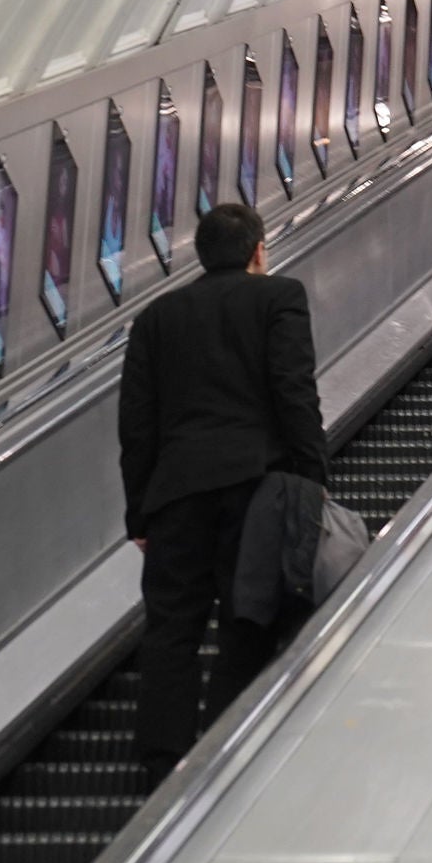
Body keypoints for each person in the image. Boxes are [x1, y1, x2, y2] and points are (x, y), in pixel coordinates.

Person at [121, 201, 328, 765]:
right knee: (247, 614)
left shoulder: (155, 319)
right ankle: (223, 749)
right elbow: (294, 391)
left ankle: (161, 764)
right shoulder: (279, 298)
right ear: (259, 251)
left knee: (171, 628)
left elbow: (137, 424)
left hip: (176, 494)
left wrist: (139, 513)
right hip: (254, 486)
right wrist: (312, 480)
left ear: (201, 255)